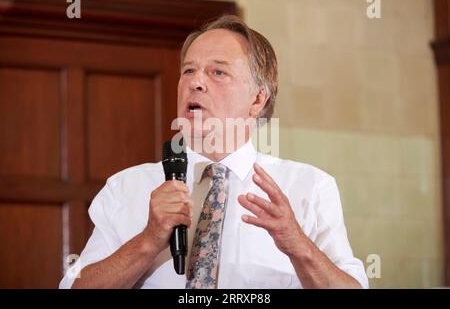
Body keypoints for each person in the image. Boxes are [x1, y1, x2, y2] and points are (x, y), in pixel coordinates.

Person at [59, 15, 368, 289]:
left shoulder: (310, 188)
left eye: (217, 73)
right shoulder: (126, 188)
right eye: (189, 70)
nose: (196, 82)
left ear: (258, 99)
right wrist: (148, 241)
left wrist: (299, 246)